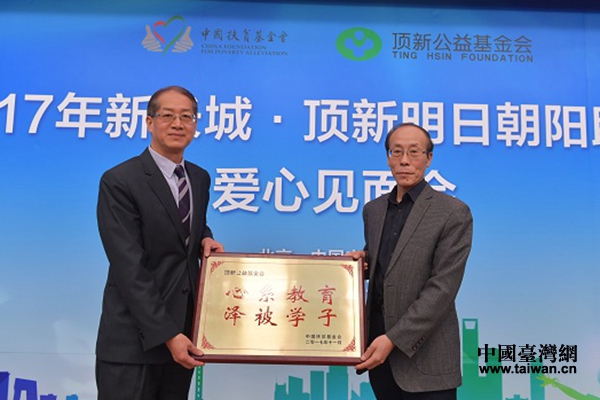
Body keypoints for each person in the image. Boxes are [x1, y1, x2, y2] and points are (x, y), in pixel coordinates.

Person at [95, 86, 224, 400]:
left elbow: (186, 228)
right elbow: (129, 267)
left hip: (183, 337)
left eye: (186, 116)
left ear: (195, 124)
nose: (178, 124)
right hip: (134, 342)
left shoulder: (199, 178)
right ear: (149, 122)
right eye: (168, 115)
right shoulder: (120, 180)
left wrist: (204, 239)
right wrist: (168, 335)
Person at [349, 123, 473, 400]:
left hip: (427, 357)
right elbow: (388, 262)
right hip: (378, 352)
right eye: (397, 152)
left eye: (414, 152)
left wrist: (394, 339)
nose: (404, 160)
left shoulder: (452, 212)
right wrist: (361, 264)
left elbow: (442, 288)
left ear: (429, 158)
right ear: (388, 158)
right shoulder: (373, 210)